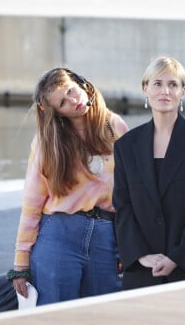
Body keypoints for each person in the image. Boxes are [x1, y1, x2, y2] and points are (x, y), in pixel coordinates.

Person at [9, 67, 129, 306]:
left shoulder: (114, 127)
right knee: (57, 318)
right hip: (59, 236)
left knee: (103, 316)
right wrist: (21, 264)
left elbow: (132, 193)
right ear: (56, 113)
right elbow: (32, 204)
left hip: (107, 236)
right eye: (63, 102)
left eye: (71, 91)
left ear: (81, 84)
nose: (73, 101)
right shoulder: (47, 143)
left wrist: (130, 245)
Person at [112, 56, 185, 290]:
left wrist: (177, 257)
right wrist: (140, 256)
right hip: (144, 271)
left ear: (183, 91)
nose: (165, 91)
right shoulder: (125, 146)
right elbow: (123, 206)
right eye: (157, 83)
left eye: (173, 84)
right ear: (145, 89)